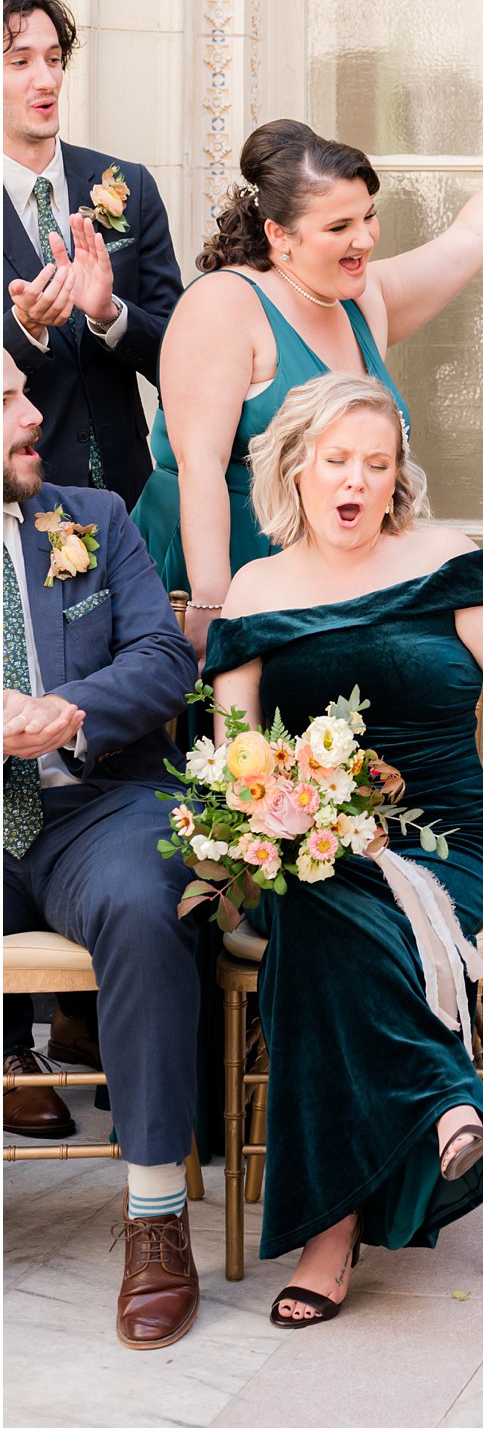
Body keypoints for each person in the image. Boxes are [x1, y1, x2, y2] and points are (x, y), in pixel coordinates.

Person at [205, 373, 483, 1325]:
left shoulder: (447, 561)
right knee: (319, 903)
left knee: (333, 934)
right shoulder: (256, 590)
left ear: (398, 475)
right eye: (337, 461)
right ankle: (451, 1110)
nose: (356, 480)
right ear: (296, 468)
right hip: (305, 845)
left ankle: (330, 1236)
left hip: (443, 840)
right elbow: (235, 764)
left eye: (377, 464)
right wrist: (276, 818)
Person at [134, 101, 483, 665]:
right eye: (339, 226)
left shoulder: (362, 298)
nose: (364, 238)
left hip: (331, 570)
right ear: (279, 235)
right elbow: (200, 469)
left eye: (368, 216)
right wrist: (212, 612)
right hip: (220, 565)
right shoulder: (223, 304)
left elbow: (474, 238)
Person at [1, 349, 204, 1349]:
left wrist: (66, 707)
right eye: (5, 398)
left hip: (96, 803)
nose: (31, 410)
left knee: (140, 898)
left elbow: (165, 659)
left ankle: (158, 1216)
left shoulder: (91, 516)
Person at [3, 0, 182, 505]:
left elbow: (180, 355)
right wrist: (24, 330)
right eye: (20, 62)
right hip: (18, 499)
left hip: (133, 496)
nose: (46, 79)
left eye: (54, 59)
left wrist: (111, 315)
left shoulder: (131, 187)